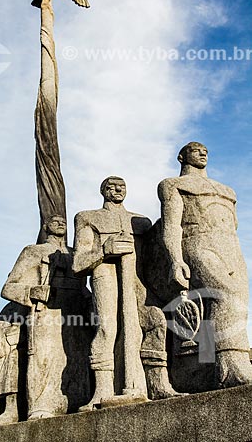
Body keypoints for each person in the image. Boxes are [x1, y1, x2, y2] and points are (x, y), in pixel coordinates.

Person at [73, 176, 179, 410]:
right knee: (107, 329)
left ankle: (156, 383)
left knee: (156, 321)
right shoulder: (88, 218)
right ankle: (102, 391)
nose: (118, 189)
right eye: (111, 186)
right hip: (105, 276)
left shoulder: (141, 221)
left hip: (137, 281)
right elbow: (78, 264)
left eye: (122, 186)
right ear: (103, 191)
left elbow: (153, 259)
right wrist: (104, 250)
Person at [158, 142, 252, 388]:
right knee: (225, 296)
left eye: (205, 150)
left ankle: (208, 370)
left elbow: (233, 225)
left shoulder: (227, 191)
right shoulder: (173, 185)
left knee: (232, 304)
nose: (202, 153)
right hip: (197, 241)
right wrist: (175, 259)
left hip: (230, 246)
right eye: (195, 150)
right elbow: (171, 225)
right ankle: (232, 364)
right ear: (182, 156)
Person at [1, 215, 92, 419]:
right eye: (55, 221)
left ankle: (76, 401)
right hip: (46, 312)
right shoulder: (33, 251)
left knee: (76, 359)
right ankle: (40, 406)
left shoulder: (76, 253)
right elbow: (8, 288)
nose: (60, 223)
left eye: (63, 221)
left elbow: (83, 287)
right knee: (43, 358)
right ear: (45, 226)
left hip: (76, 312)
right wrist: (31, 292)